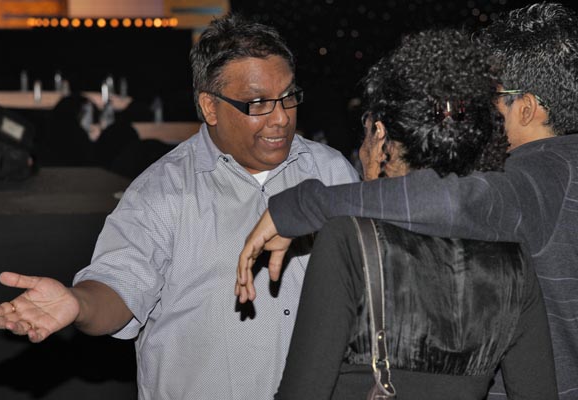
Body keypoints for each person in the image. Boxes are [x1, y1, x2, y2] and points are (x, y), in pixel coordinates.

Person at [0, 14, 359, 400]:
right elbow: (119, 285)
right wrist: (78, 303)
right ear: (210, 107)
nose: (281, 118)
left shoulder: (329, 172)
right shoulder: (162, 191)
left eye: (289, 97)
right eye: (258, 103)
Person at [237, 3, 578, 398]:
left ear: (527, 109)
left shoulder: (542, 174)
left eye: (492, 97)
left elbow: (452, 202)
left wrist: (303, 207)